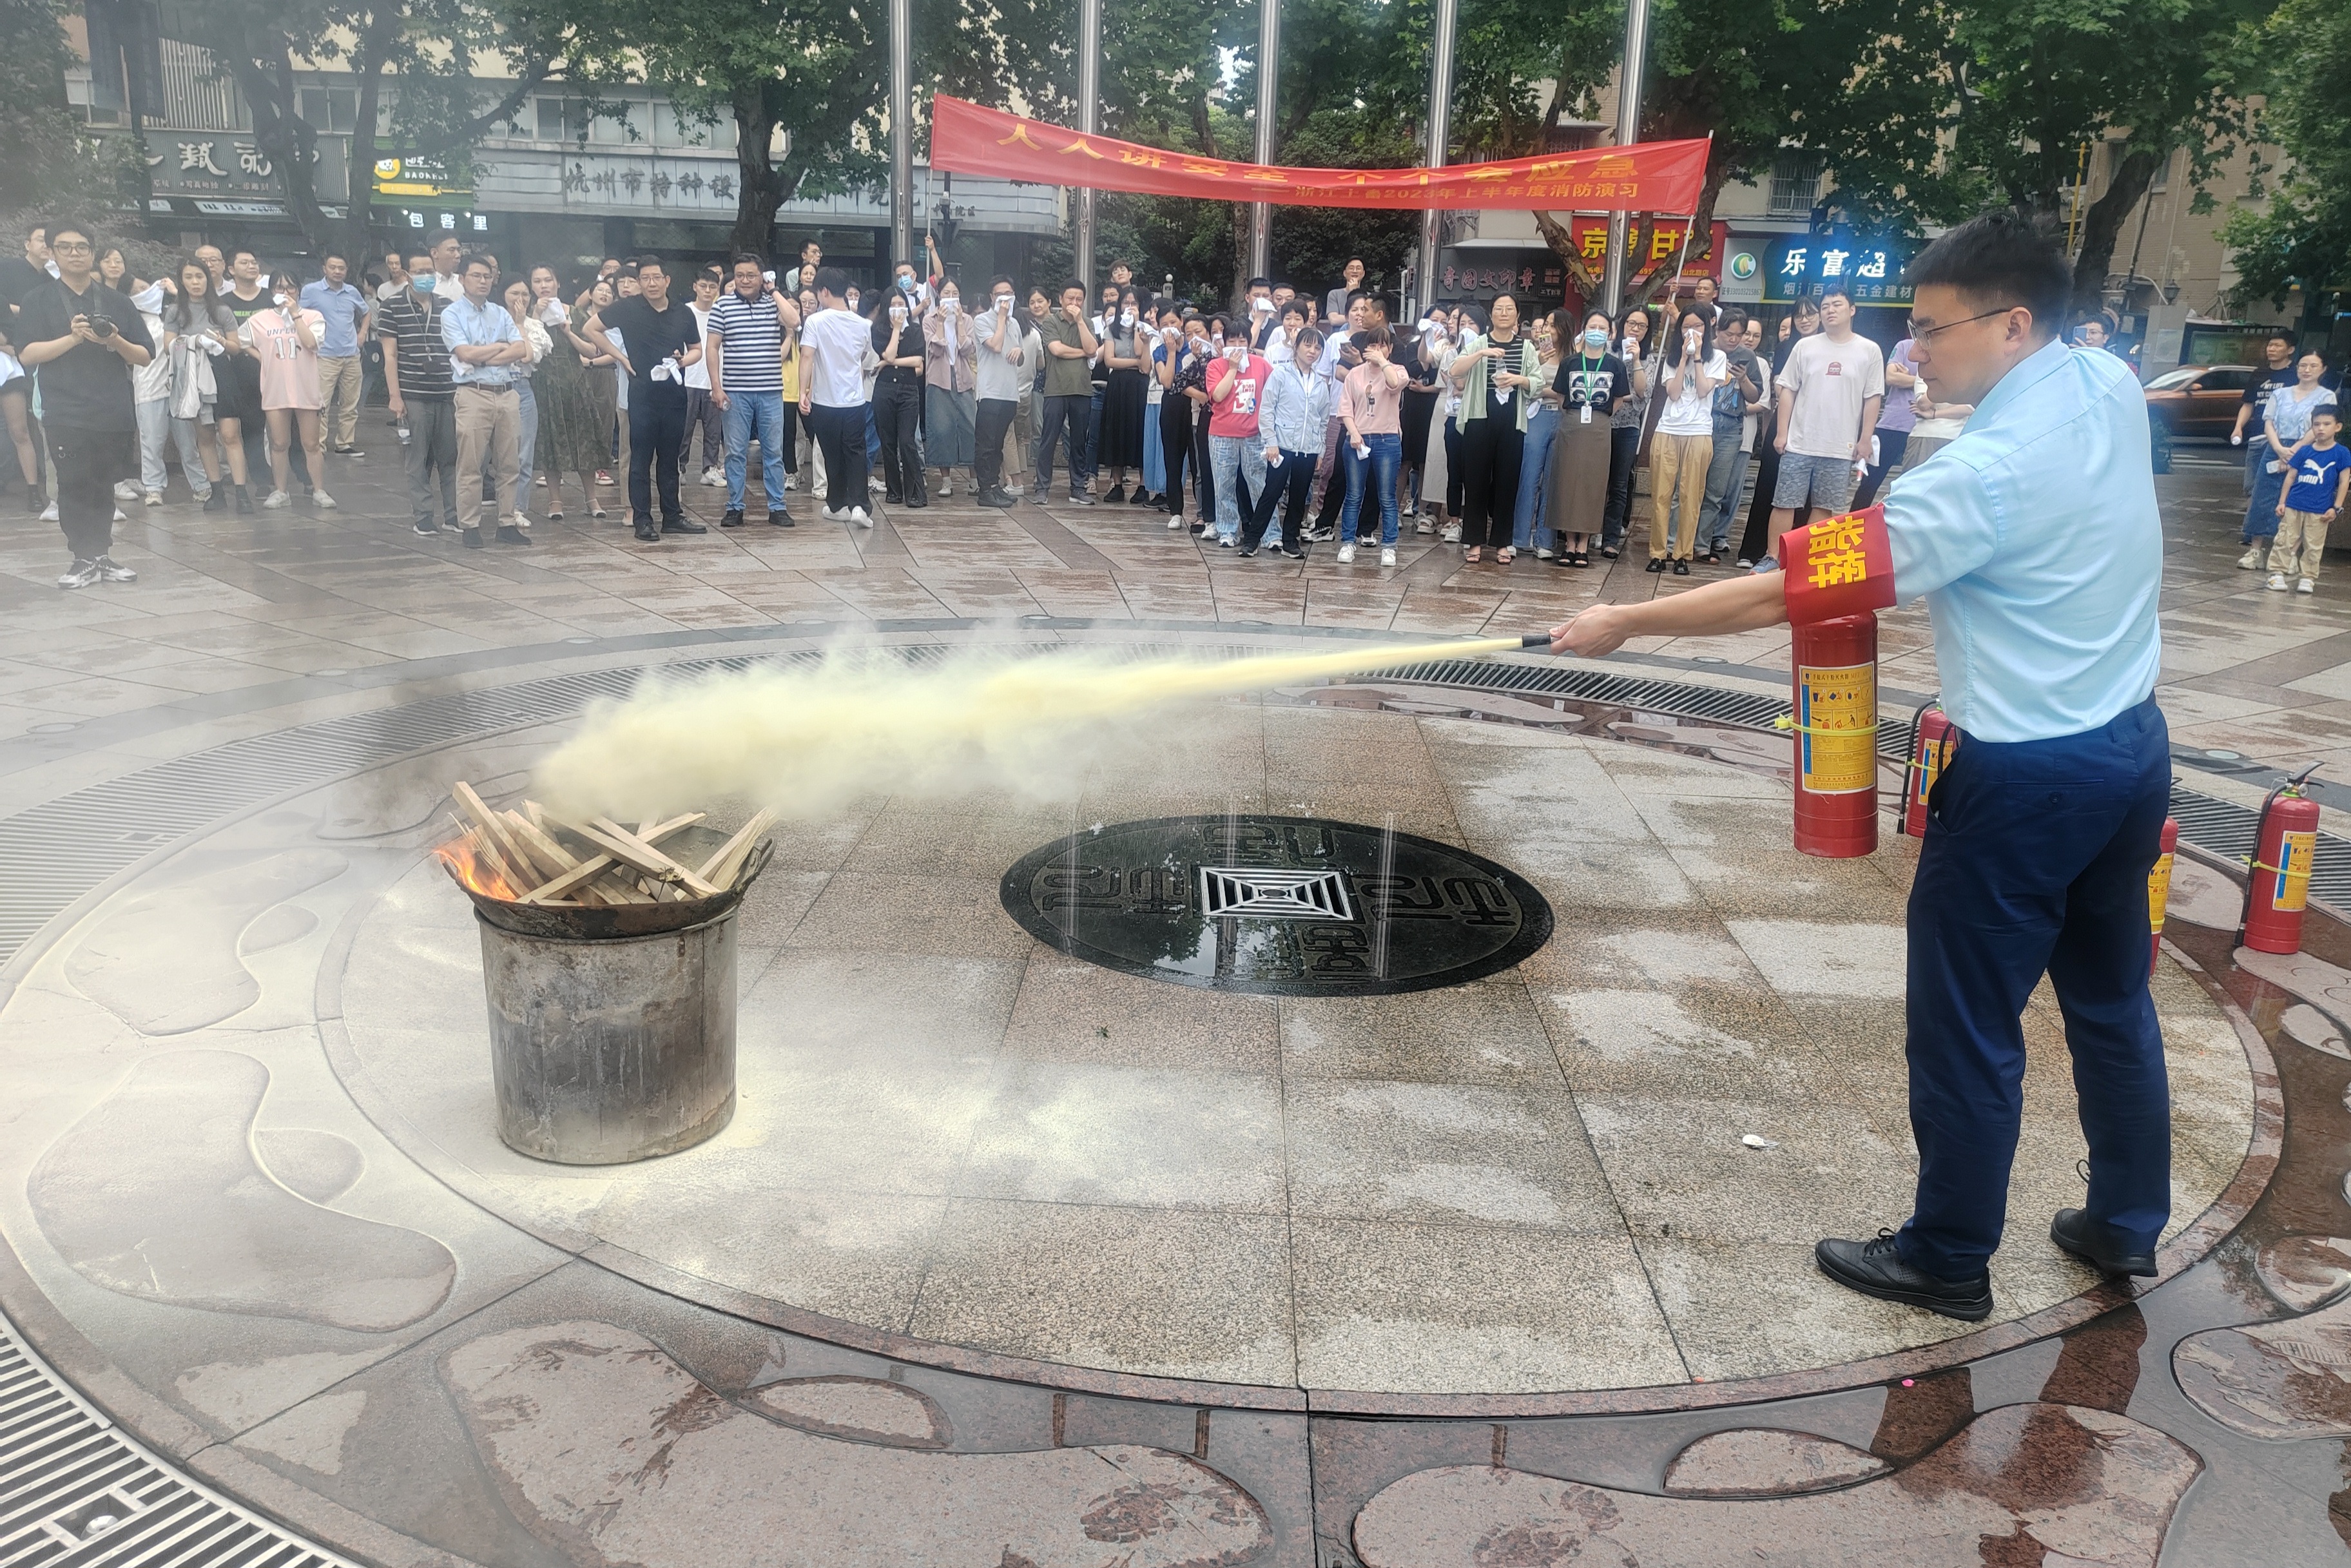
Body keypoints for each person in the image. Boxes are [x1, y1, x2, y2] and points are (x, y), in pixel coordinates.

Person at [1549, 208, 2172, 1324]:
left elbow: (1788, 590)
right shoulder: (2107, 382)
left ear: (2015, 324)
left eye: (1932, 330)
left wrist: (1625, 621)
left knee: (1966, 1025)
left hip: (2025, 782)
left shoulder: (1977, 477)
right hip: (2131, 751)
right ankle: (2124, 1219)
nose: (1911, 354)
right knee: (2111, 998)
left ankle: (1946, 1254)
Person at [13, 215, 154, 588]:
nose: (74, 254)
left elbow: (144, 355)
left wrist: (114, 340)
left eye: (82, 247)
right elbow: (27, 354)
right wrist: (73, 339)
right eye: (65, 247)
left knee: (104, 485)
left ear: (93, 254)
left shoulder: (117, 301)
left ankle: (101, 555)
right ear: (52, 253)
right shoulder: (38, 299)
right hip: (65, 409)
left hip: (111, 408)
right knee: (74, 484)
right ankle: (82, 557)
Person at [584, 256, 706, 541]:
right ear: (639, 282)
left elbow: (697, 349)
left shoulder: (682, 313)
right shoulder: (627, 308)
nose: (651, 283)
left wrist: (683, 361)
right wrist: (621, 358)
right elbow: (590, 329)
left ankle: (672, 516)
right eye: (645, 278)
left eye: (656, 278)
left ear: (667, 280)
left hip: (674, 395)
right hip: (641, 395)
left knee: (670, 459)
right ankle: (642, 519)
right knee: (640, 459)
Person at [1763, 284, 1883, 566]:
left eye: (1837, 305)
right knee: (1784, 501)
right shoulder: (1805, 346)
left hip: (1840, 446)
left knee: (1824, 507)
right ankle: (1772, 558)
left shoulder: (1869, 350)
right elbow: (1788, 390)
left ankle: (1802, 561)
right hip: (1800, 442)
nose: (1830, 311)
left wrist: (1865, 439)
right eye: (1825, 306)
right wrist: (1782, 432)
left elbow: (1872, 398)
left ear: (1852, 310)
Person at [436, 253, 528, 547]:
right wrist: (499, 347)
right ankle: (470, 525)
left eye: (488, 276)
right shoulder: (452, 314)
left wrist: (485, 356)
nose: (483, 281)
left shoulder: (500, 313)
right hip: (473, 393)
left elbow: (521, 350)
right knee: (471, 464)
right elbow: (464, 354)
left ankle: (507, 523)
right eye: (476, 276)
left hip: (507, 393)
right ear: (463, 279)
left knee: (510, 463)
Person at [706, 253, 801, 528]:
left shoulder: (773, 303)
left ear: (762, 277)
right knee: (735, 452)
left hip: (771, 391)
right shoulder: (722, 305)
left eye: (751, 276)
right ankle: (735, 507)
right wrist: (716, 387)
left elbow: (794, 321)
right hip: (735, 392)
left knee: (774, 452)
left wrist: (775, 291)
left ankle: (778, 507)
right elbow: (712, 347)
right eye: (740, 276)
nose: (745, 281)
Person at [1449, 291, 1540, 563]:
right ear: (1491, 314)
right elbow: (1455, 370)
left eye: (1509, 309)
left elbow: (1538, 383)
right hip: (1479, 418)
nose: (1504, 313)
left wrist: (1518, 380)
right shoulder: (1478, 342)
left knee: (1507, 483)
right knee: (1475, 481)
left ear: (1517, 315)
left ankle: (1502, 543)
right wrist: (1481, 353)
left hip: (1512, 420)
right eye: (1499, 308)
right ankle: (1474, 541)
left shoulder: (1526, 348)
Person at [379, 251, 459, 536]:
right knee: (417, 458)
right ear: (407, 274)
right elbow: (390, 355)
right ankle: (423, 515)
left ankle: (454, 515)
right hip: (413, 393)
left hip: (447, 391)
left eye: (429, 271)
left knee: (450, 458)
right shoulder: (392, 306)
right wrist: (395, 396)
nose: (426, 276)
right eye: (419, 271)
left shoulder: (447, 306)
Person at [244, 268, 334, 510]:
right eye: (279, 287)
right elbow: (241, 341)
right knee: (279, 443)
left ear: (299, 290)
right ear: (272, 291)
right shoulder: (260, 319)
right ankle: (281, 491)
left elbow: (312, 343)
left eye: (290, 287)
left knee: (311, 444)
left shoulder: (313, 316)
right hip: (275, 389)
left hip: (306, 388)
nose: (285, 292)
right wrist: (262, 357)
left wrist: (295, 315)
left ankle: (319, 490)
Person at [1546, 309, 1627, 568]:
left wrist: (1601, 416)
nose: (1597, 332)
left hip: (1600, 426)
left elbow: (1619, 399)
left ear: (1610, 333)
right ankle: (1569, 543)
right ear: (1584, 330)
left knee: (1594, 483)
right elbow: (1561, 396)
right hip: (1571, 423)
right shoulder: (1570, 362)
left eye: (1602, 328)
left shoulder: (1616, 365)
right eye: (1592, 327)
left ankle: (1584, 545)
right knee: (1568, 481)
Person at [2239, 350, 2334, 569]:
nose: (2307, 370)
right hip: (2275, 447)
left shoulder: (2327, 396)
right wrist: (2279, 449)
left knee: (2297, 501)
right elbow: (2269, 423)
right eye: (2303, 365)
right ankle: (2255, 550)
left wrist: (2295, 451)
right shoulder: (2280, 394)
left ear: (2323, 369)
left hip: (2308, 451)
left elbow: (2320, 426)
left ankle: (2288, 555)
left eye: (2313, 366)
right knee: (2262, 496)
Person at [159, 256, 240, 511]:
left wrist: (221, 342)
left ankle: (241, 493)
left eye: (199, 276)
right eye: (189, 277)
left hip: (221, 373)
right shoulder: (175, 312)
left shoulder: (222, 310)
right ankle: (216, 493)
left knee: (230, 435)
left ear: (208, 279)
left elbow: (236, 347)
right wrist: (193, 342)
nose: (195, 282)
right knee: (205, 436)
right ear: (181, 281)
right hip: (192, 375)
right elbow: (168, 347)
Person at [1647, 307, 1723, 574]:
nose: (1692, 332)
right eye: (1686, 327)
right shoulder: (1671, 358)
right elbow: (1674, 393)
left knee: (1691, 496)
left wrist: (1697, 357)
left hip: (1699, 432)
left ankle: (1682, 554)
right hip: (1668, 429)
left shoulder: (1718, 357)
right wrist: (1682, 359)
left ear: (1708, 328)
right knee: (1661, 495)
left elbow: (1703, 390)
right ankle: (1658, 553)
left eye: (1698, 326)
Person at [798, 266, 875, 527]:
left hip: (824, 401)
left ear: (824, 292)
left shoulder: (815, 322)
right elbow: (863, 355)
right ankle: (860, 507)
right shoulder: (863, 324)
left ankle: (837, 505)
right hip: (854, 400)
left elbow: (807, 357)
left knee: (832, 454)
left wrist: (803, 392)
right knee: (856, 452)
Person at [1244, 325, 1324, 559]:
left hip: (1308, 448)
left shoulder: (1320, 382)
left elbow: (1322, 419)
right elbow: (1267, 409)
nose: (1312, 351)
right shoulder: (1281, 374)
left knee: (1299, 496)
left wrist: (1320, 450)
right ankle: (1252, 540)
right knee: (1272, 492)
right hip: (1282, 445)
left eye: (1317, 347)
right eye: (1308, 345)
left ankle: (1290, 541)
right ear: (1296, 347)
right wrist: (1271, 441)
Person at [1337, 324, 1409, 566]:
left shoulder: (1398, 370)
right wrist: (1354, 433)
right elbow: (1345, 409)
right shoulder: (1354, 374)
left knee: (1387, 496)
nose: (1377, 349)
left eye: (1383, 345)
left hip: (1387, 439)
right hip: (1358, 439)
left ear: (1390, 349)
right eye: (1373, 345)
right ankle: (1348, 542)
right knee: (1354, 494)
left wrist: (1383, 362)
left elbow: (1394, 384)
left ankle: (1389, 546)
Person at [1698, 307, 1765, 563]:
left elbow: (1755, 397)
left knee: (1716, 491)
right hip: (1702, 422)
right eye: (1729, 334)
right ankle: (1680, 540)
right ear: (1717, 330)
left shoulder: (1747, 356)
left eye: (1739, 335)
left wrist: (1744, 379)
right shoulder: (1705, 350)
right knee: (1691, 485)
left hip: (1730, 427)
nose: (1734, 340)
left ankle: (1703, 544)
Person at [2265, 402, 2346, 594]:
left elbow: (2344, 481)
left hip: (2320, 509)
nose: (2321, 428)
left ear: (2338, 427)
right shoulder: (2304, 451)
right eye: (2316, 424)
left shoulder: (2341, 453)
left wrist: (2336, 508)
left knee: (2314, 545)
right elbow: (2291, 476)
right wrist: (2282, 502)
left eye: (2326, 424)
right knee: (2284, 539)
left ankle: (2308, 578)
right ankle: (2277, 573)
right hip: (2294, 505)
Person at [1204, 325, 1272, 548]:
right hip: (1222, 435)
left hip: (1255, 435)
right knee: (1224, 485)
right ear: (1224, 343)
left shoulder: (1261, 365)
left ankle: (1270, 533)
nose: (1237, 346)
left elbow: (1275, 393)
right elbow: (1218, 395)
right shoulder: (1215, 366)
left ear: (1249, 343)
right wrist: (1232, 369)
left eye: (1242, 341)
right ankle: (1227, 530)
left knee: (1260, 485)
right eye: (1232, 341)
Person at [1035, 282, 1099, 507]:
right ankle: (1042, 488)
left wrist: (1080, 321)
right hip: (1056, 389)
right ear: (1060, 299)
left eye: (1079, 299)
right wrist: (1084, 352)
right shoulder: (1051, 322)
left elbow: (1093, 349)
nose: (1074, 303)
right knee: (1048, 440)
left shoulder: (1087, 322)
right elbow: (1057, 349)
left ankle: (1078, 488)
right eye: (1070, 298)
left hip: (1082, 389)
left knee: (1079, 441)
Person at [302, 252, 370, 457]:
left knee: (350, 404)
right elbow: (299, 315)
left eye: (341, 268)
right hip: (325, 355)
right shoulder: (311, 291)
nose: (337, 271)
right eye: (333, 267)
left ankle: (345, 443)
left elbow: (366, 312)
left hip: (351, 355)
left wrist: (362, 334)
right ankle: (318, 446)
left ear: (346, 271)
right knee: (321, 404)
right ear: (324, 269)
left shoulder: (352, 292)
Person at [1598, 305, 1654, 557]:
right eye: (1632, 323)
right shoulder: (1607, 350)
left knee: (1620, 483)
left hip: (1628, 426)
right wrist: (1625, 395)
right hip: (1601, 423)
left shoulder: (1649, 358)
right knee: (1597, 480)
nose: (1636, 329)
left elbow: (1643, 392)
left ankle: (1610, 538)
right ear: (1623, 324)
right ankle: (1591, 530)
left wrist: (1637, 360)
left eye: (1642, 326)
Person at [1510, 311, 1565, 562]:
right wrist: (1552, 391)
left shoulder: (1573, 356)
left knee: (1553, 479)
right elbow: (1525, 385)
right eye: (1546, 325)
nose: (1547, 329)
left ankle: (1545, 539)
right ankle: (1519, 536)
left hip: (1563, 418)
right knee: (1529, 475)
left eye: (1553, 325)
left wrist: (1548, 391)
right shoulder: (1534, 353)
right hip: (1536, 414)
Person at [922, 277, 979, 500]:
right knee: (941, 429)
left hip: (963, 379)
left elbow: (967, 350)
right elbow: (936, 351)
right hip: (939, 380)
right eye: (946, 293)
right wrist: (941, 323)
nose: (951, 297)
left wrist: (961, 324)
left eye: (955, 293)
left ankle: (974, 480)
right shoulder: (929, 320)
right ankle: (946, 480)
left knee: (971, 428)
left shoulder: (968, 319)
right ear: (939, 295)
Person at [871, 284, 926, 507]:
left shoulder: (915, 330)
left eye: (901, 305)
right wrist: (895, 330)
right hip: (884, 390)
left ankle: (916, 492)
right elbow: (890, 353)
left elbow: (917, 361)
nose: (898, 309)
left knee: (907, 442)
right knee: (888, 443)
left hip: (908, 390)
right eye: (893, 305)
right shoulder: (878, 330)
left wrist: (887, 363)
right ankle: (894, 491)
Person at [502, 278, 550, 530]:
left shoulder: (533, 326)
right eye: (514, 293)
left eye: (525, 294)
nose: (520, 299)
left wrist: (521, 325)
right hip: (493, 385)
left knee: (524, 452)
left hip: (522, 387)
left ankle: (517, 507)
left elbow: (528, 356)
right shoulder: (493, 318)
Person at [1852, 329, 1920, 508]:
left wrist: (1907, 378)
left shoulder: (1941, 350)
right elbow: (1890, 377)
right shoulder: (1904, 346)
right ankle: (1855, 521)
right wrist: (1922, 380)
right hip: (1892, 424)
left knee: (1915, 484)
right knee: (1869, 483)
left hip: (1925, 427)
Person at [973, 276, 1025, 508]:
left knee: (998, 444)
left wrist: (1019, 351)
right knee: (986, 443)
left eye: (1009, 294)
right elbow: (995, 346)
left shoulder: (1015, 324)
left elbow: (1020, 357)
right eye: (1000, 294)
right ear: (992, 297)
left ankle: (994, 485)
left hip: (1009, 393)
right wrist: (1002, 318)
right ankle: (984, 489)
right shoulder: (982, 320)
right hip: (990, 392)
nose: (1005, 298)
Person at [1096, 286, 1150, 503]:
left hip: (1140, 387)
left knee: (1140, 431)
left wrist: (1137, 325)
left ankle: (1143, 485)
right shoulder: (1112, 329)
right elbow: (1110, 360)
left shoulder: (1145, 330)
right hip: (1117, 385)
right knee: (1115, 431)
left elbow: (1141, 356)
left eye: (1134, 303)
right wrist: (1136, 363)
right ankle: (1117, 484)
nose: (1129, 307)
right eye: (1125, 303)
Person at [2230, 333, 2301, 497]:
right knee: (2251, 486)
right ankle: (2252, 511)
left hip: (2284, 439)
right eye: (2270, 345)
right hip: (2257, 436)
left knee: (2278, 485)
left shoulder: (2296, 374)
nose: (2272, 349)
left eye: (2277, 346)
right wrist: (2238, 427)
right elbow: (2249, 404)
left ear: (2290, 350)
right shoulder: (2258, 374)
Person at [1154, 310, 1202, 525]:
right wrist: (1171, 352)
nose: (1170, 327)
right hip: (1172, 405)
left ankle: (1203, 513)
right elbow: (1167, 382)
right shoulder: (1160, 351)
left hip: (1195, 405)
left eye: (1173, 322)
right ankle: (1175, 511)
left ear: (1181, 322)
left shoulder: (1195, 345)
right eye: (1164, 324)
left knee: (1197, 460)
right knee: (1172, 459)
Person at [681, 267, 726, 487]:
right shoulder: (684, 312)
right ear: (695, 287)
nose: (708, 291)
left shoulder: (722, 312)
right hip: (688, 378)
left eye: (712, 287)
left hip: (714, 380)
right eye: (703, 286)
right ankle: (680, 467)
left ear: (718, 289)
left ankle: (710, 468)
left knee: (713, 429)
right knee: (684, 428)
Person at [1326, 258, 1366, 325]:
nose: (1355, 271)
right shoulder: (1334, 294)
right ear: (1345, 273)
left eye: (1358, 268)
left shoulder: (1368, 297)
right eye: (1351, 268)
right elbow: (1334, 320)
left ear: (1363, 273)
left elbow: (1370, 319)